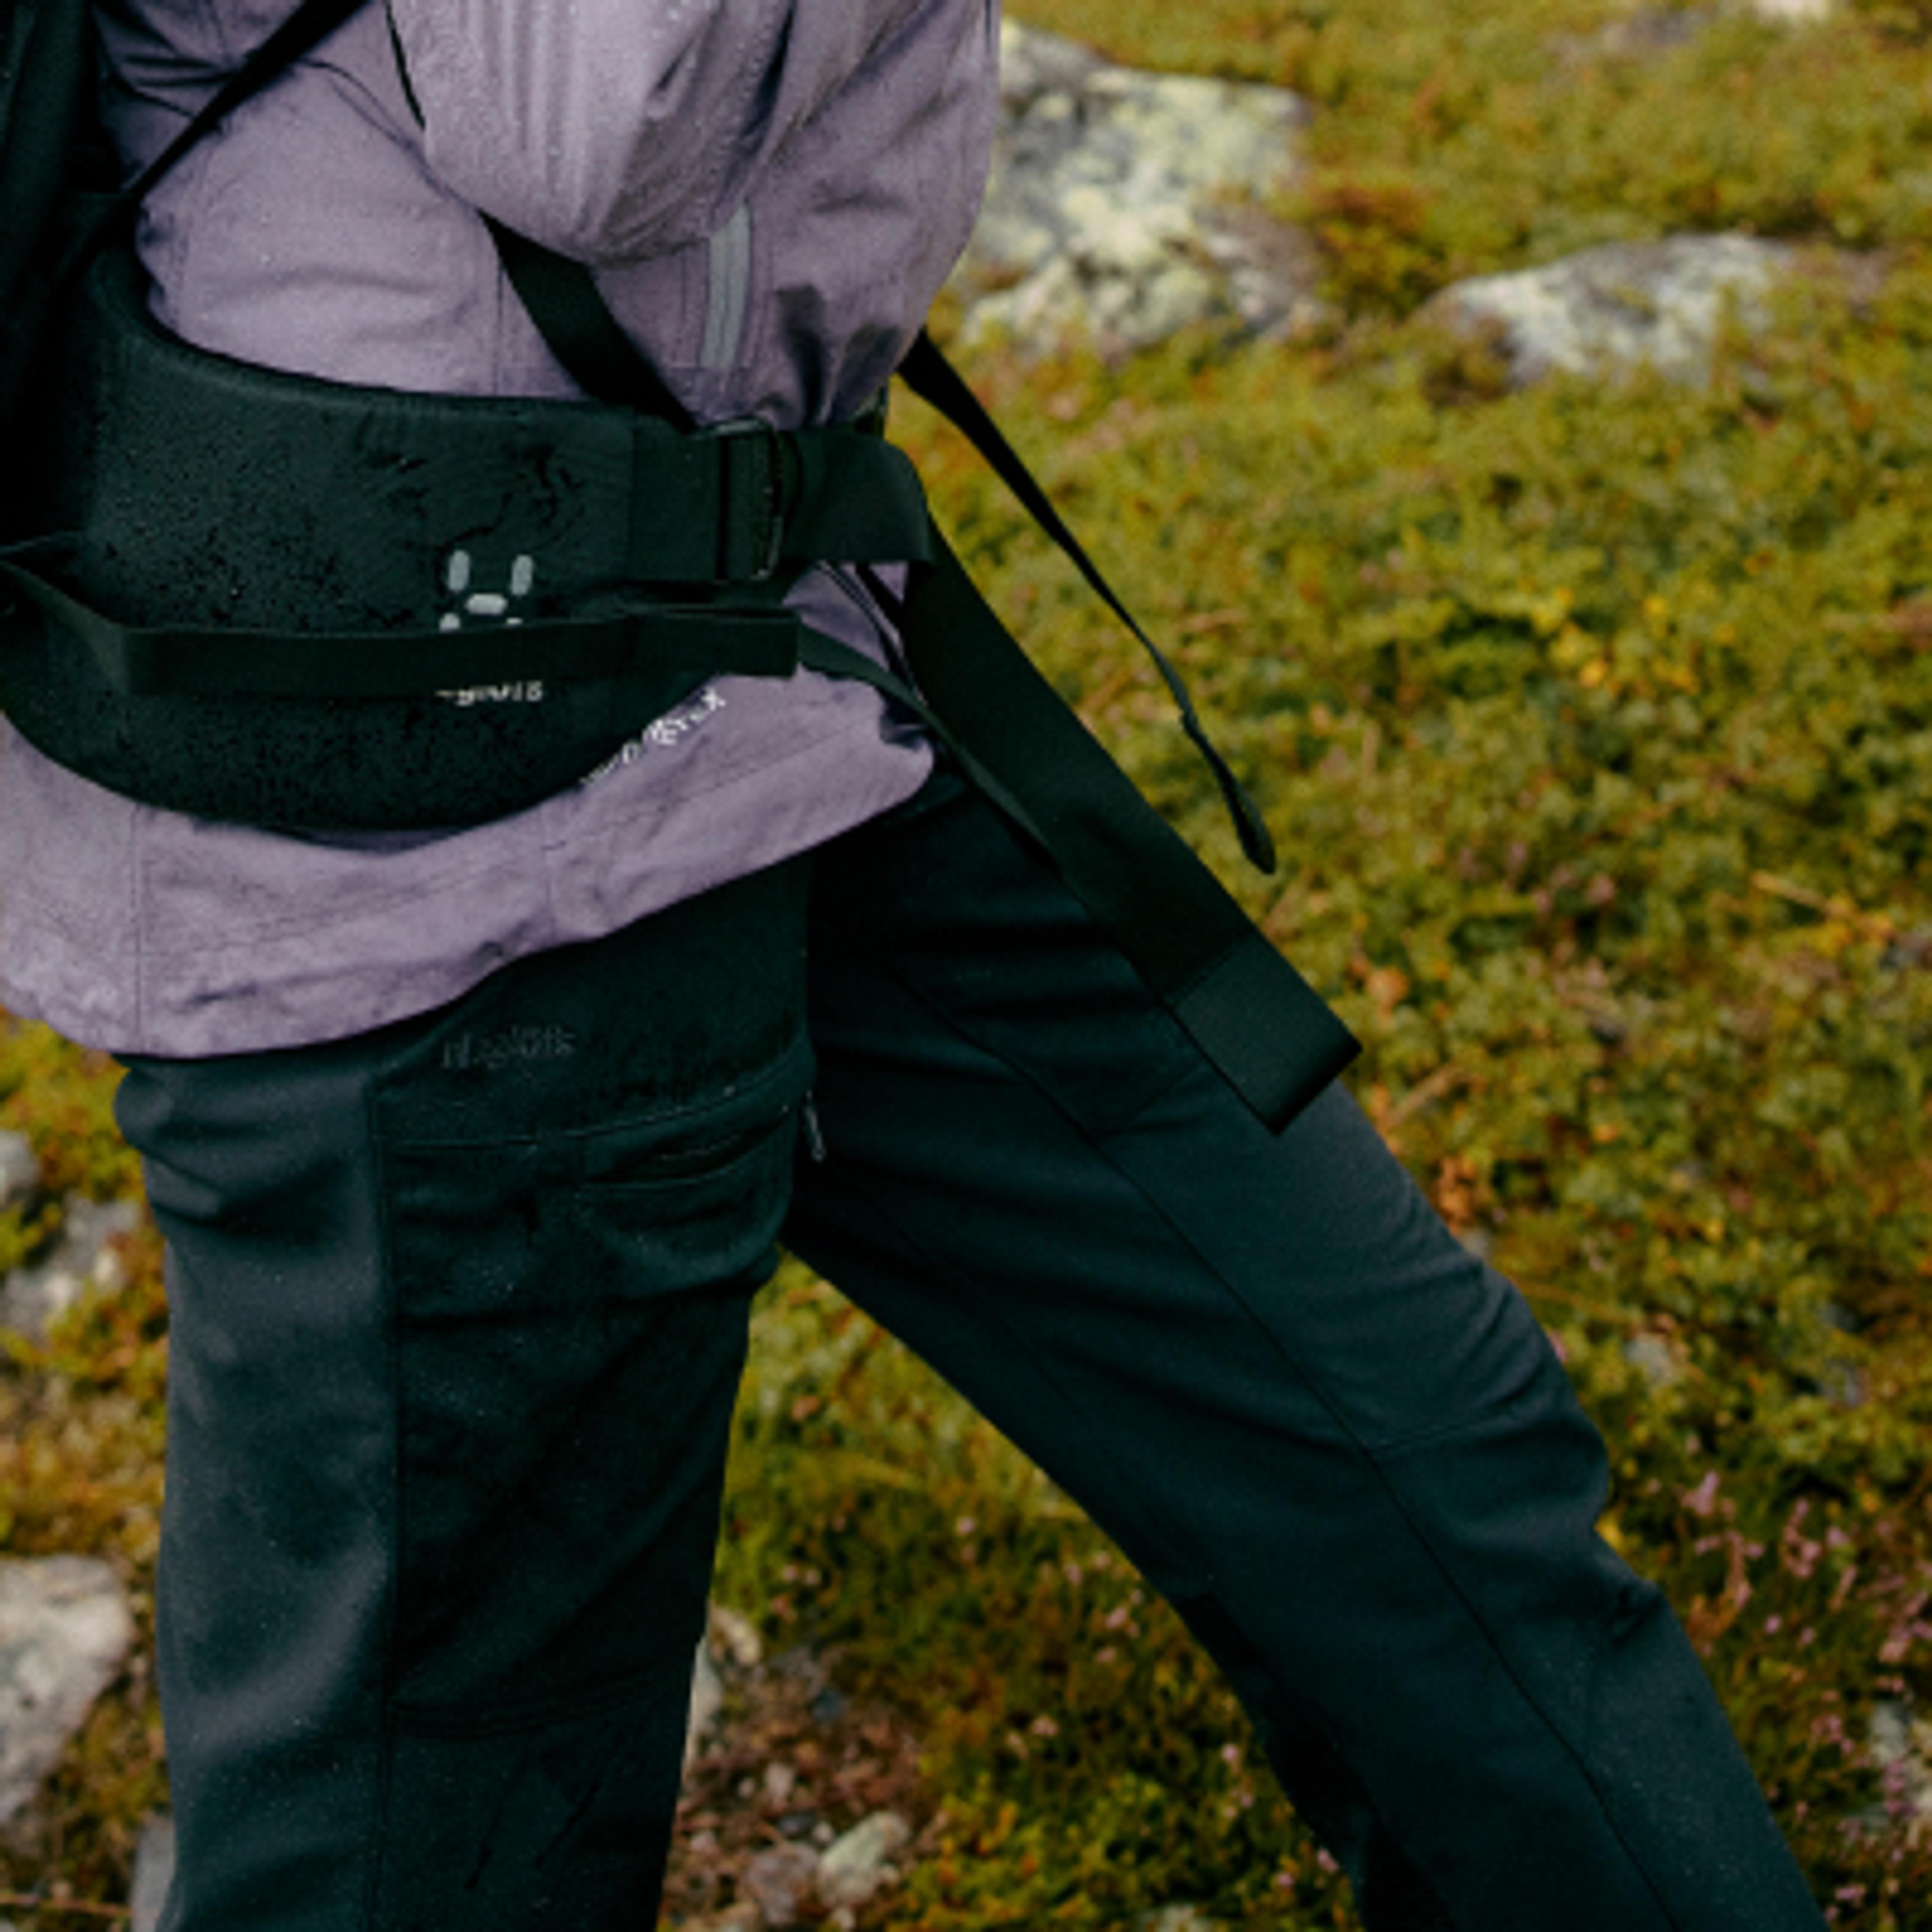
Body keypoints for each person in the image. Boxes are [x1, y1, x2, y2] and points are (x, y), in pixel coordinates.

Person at [0, 2, 1828, 1926]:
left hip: (779, 641)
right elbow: (601, 113)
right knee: (437, 1838)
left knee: (1415, 1474)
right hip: (421, 818)